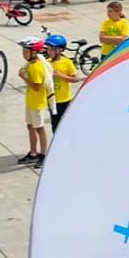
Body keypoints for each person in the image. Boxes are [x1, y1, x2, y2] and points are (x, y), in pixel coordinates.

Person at [17, 38, 51, 168]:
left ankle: (43, 154)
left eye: (26, 51)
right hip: (31, 101)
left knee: (39, 128)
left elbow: (37, 86)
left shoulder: (37, 67)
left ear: (34, 52)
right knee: (30, 126)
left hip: (37, 103)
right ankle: (33, 153)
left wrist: (24, 77)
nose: (23, 54)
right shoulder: (31, 64)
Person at [45, 34, 80, 130]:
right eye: (48, 49)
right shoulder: (47, 62)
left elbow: (75, 78)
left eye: (52, 49)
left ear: (60, 50)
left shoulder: (67, 62)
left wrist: (60, 75)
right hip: (52, 100)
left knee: (66, 124)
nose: (49, 52)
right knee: (55, 125)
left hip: (64, 100)